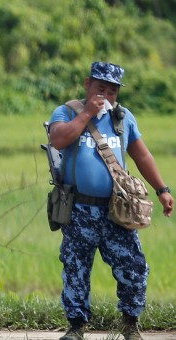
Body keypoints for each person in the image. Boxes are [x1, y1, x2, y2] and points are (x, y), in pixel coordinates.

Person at [48, 61, 174, 340]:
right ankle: (77, 327)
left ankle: (130, 324)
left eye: (112, 91)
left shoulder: (123, 118)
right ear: (87, 84)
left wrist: (162, 189)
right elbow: (58, 139)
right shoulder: (67, 111)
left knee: (134, 266)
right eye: (100, 88)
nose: (105, 95)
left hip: (118, 209)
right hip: (79, 208)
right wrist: (87, 115)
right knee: (75, 266)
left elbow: (142, 156)